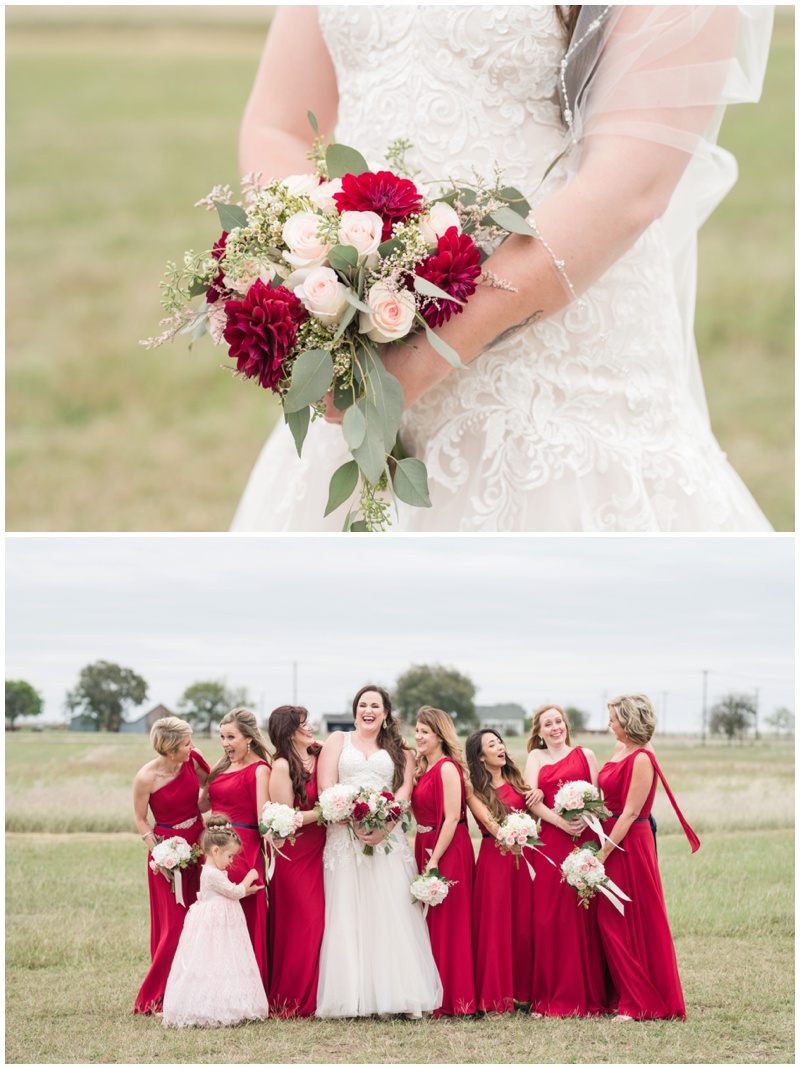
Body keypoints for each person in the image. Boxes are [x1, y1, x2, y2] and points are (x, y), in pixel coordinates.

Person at [230, 6, 774, 533]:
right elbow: (282, 128)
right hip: (358, 380)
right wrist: (316, 293)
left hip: (558, 383)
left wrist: (414, 361)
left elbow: (629, 186)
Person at [315, 685, 442, 1017]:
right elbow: (326, 787)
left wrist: (384, 825)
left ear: (386, 713)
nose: (367, 710)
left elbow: (403, 793)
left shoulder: (401, 749)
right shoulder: (337, 742)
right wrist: (351, 821)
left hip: (388, 838)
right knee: (347, 911)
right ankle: (350, 996)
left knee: (391, 909)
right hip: (344, 837)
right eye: (362, 704)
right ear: (355, 710)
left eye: (375, 705)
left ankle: (396, 994)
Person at [595, 694, 700, 1020]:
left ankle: (641, 1001)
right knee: (609, 917)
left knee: (624, 916)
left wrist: (601, 854)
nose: (608, 723)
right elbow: (608, 798)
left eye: (612, 718)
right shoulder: (618, 749)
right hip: (608, 832)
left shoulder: (642, 757)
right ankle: (623, 993)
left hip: (629, 842)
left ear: (627, 722)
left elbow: (629, 814)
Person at [522, 704, 610, 1017]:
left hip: (585, 838)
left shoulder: (585, 755)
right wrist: (561, 823)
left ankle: (586, 993)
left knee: (581, 913)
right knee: (549, 917)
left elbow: (600, 797)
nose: (555, 727)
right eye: (548, 724)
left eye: (559, 721)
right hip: (551, 843)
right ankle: (550, 995)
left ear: (566, 725)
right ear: (540, 731)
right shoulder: (536, 758)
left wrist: (586, 817)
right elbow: (531, 801)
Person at [132, 716, 208, 1015]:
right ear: (170, 749)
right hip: (167, 853)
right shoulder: (146, 777)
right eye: (186, 744)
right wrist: (159, 853)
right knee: (174, 924)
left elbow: (211, 787)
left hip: (199, 843)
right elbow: (140, 819)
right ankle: (159, 994)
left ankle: (192, 989)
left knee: (198, 917)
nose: (193, 747)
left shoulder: (193, 759)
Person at [162, 814, 268, 1027]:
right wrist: (250, 877)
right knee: (215, 962)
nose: (231, 861)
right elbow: (234, 891)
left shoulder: (212, 871)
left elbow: (228, 893)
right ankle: (211, 1006)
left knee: (225, 961)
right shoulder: (211, 874)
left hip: (222, 924)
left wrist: (247, 891)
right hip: (216, 926)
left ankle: (229, 1002)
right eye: (230, 856)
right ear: (215, 851)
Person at [465, 729, 541, 1014]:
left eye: (500, 742)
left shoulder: (516, 779)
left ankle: (524, 992)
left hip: (524, 858)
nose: (500, 747)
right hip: (495, 858)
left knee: (523, 924)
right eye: (492, 745)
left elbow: (533, 813)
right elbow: (489, 822)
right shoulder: (475, 789)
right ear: (481, 757)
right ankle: (495, 997)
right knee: (496, 926)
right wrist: (512, 837)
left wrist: (538, 797)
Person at [411, 706, 476, 1017]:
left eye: (425, 731)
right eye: (417, 730)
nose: (419, 736)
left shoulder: (447, 768)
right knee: (429, 922)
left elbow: (452, 818)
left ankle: (455, 997)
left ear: (439, 734)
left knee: (450, 921)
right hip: (424, 842)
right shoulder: (423, 768)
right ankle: (430, 992)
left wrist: (434, 858)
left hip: (447, 847)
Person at [201, 707, 271, 992]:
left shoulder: (260, 770)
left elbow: (263, 820)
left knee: (242, 913)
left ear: (249, 739)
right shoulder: (220, 768)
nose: (225, 743)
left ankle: (246, 989)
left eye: (231, 737)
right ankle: (216, 986)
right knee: (215, 919)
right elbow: (202, 806)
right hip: (213, 849)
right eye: (222, 737)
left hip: (243, 849)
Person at [265, 704, 325, 1017]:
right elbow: (285, 819)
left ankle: (318, 992)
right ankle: (292, 996)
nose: (311, 727)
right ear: (290, 731)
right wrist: (326, 812)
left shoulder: (320, 755)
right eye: (305, 724)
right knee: (305, 920)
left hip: (324, 850)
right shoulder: (281, 766)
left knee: (323, 921)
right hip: (295, 854)